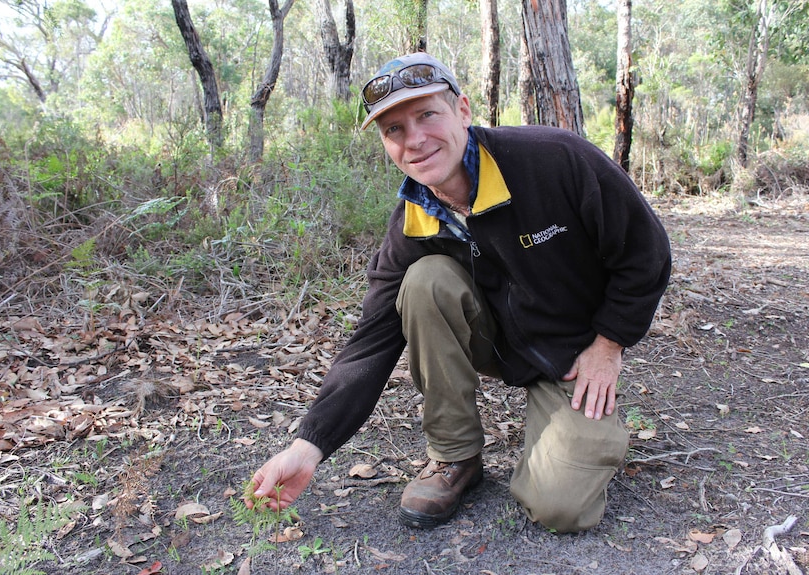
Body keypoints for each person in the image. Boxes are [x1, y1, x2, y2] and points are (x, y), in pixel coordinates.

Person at [245, 52, 671, 533]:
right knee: (425, 281)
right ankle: (455, 458)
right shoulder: (412, 220)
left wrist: (609, 344)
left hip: (571, 350)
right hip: (495, 339)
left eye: (427, 115)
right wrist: (309, 445)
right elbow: (373, 339)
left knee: (559, 508)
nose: (415, 141)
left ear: (463, 111)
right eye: (394, 131)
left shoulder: (553, 159)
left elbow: (646, 250)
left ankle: (578, 433)